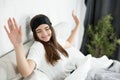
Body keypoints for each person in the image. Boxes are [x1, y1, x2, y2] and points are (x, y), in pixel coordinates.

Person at [4, 11, 83, 80]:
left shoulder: (54, 40)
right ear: (35, 33)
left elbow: (68, 43)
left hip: (77, 72)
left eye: (46, 28)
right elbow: (26, 72)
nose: (44, 34)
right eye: (39, 31)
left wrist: (77, 25)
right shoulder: (38, 47)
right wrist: (18, 46)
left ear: (51, 28)